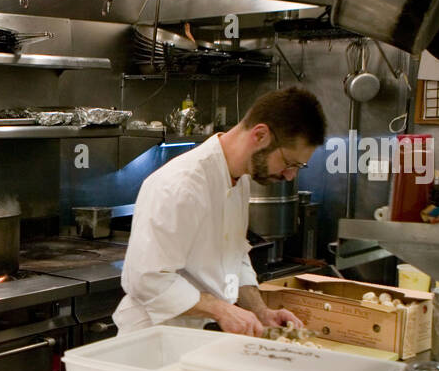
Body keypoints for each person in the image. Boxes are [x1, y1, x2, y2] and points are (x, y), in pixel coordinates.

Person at [113, 86, 327, 336]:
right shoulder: (181, 185)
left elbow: (234, 257)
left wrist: (261, 312)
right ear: (260, 135)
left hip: (200, 339)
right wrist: (222, 310)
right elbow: (146, 280)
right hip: (155, 341)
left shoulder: (240, 180)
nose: (290, 175)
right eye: (289, 163)